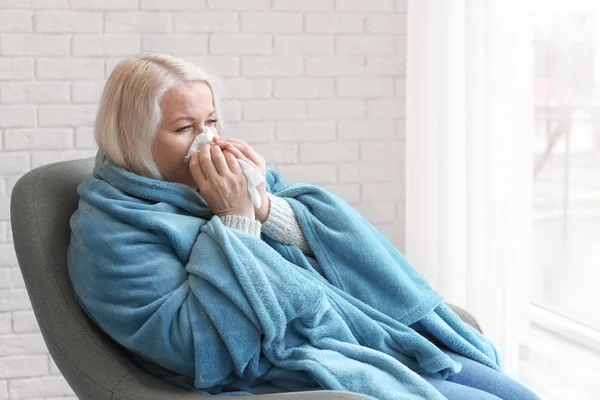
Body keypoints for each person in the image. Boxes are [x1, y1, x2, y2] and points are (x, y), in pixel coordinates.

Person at [67, 54, 541, 400]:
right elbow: (194, 345)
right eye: (185, 129)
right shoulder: (110, 231)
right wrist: (233, 224)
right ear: (135, 136)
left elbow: (331, 240)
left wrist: (263, 205)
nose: (208, 141)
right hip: (287, 368)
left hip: (355, 333)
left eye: (212, 121)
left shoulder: (218, 183)